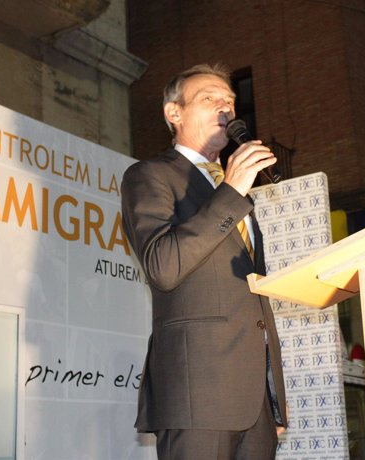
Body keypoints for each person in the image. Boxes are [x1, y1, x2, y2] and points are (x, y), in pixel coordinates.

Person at [121, 63, 287, 459]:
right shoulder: (150, 175)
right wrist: (231, 191)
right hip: (197, 390)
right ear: (173, 113)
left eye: (229, 100)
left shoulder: (230, 188)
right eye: (208, 98)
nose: (225, 107)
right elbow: (163, 265)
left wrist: (272, 393)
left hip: (255, 400)